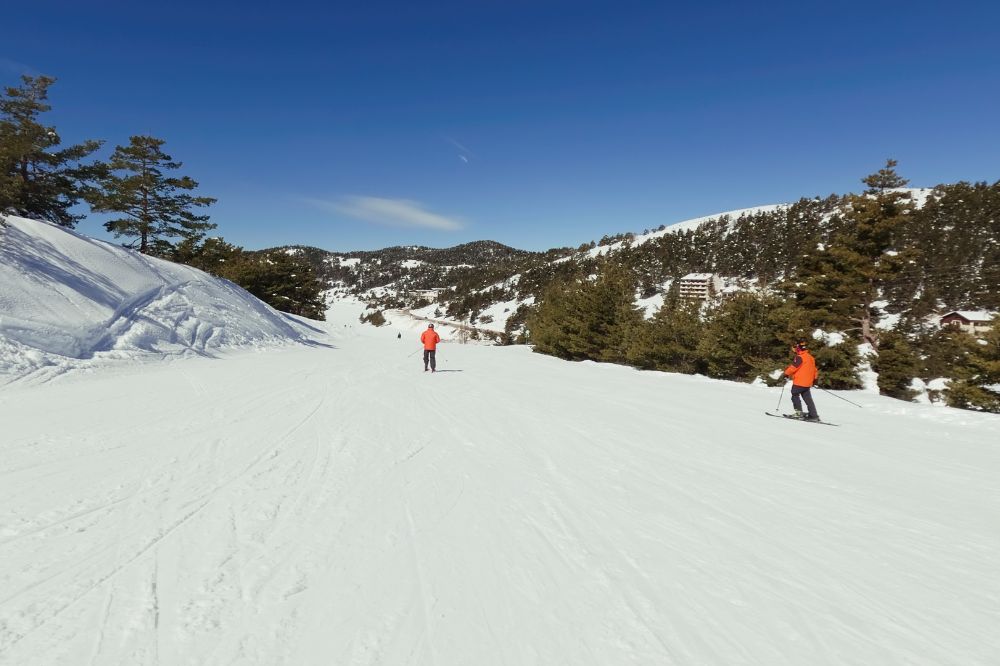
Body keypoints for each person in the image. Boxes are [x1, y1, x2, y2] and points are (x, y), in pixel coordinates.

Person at [785, 338, 819, 420]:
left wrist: (786, 374)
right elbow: (815, 370)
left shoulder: (799, 357)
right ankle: (813, 415)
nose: (794, 350)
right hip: (807, 383)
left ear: (798, 348)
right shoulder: (811, 357)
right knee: (808, 399)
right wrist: (815, 380)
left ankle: (798, 413)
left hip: (799, 382)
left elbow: (793, 367)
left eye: (795, 348)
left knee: (794, 395)